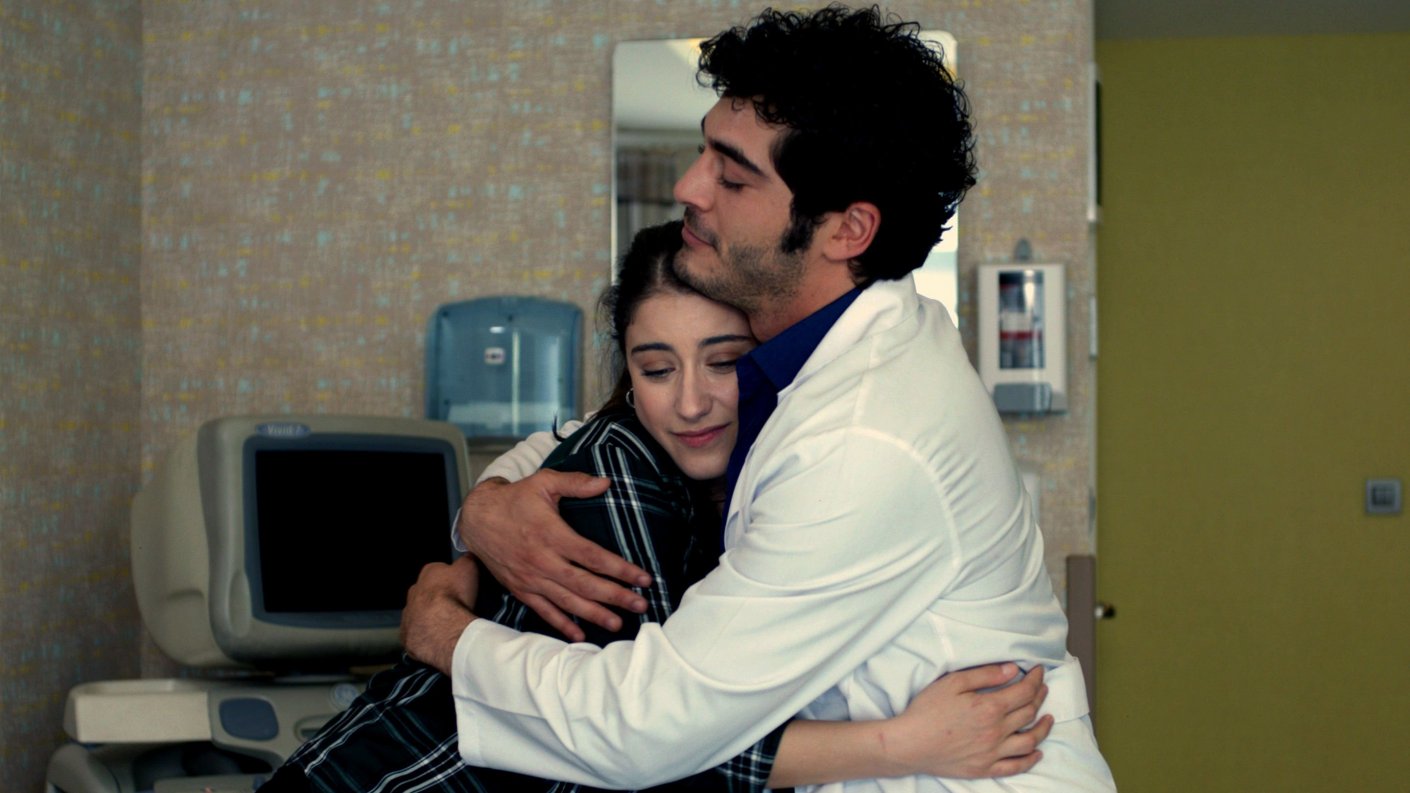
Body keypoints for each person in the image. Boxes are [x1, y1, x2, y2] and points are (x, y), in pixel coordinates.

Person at [403, 5, 1116, 792]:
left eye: (734, 176)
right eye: (704, 151)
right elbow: (596, 431)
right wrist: (486, 508)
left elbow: (647, 725)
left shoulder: (866, 440)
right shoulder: (803, 346)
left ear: (847, 231)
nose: (688, 187)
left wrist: (448, 635)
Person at [260, 220, 1054, 792]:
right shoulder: (619, 474)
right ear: (629, 379)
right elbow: (665, 740)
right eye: (657, 367)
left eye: (724, 361)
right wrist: (901, 743)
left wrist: (480, 511)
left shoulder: (785, 470)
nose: (692, 402)